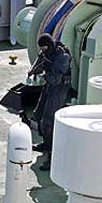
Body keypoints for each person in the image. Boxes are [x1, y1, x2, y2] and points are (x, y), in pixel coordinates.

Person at [30, 33, 71, 171]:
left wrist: (43, 76)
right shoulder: (48, 52)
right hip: (49, 86)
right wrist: (33, 71)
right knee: (39, 114)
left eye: (44, 48)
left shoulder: (62, 57)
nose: (42, 51)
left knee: (49, 121)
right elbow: (40, 60)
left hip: (58, 89)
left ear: (49, 46)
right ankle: (46, 143)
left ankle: (53, 155)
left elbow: (56, 79)